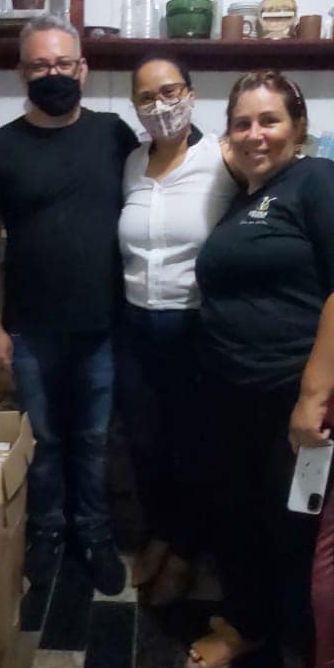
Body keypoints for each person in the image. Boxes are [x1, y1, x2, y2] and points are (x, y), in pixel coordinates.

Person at [191, 70, 334, 668]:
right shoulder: (246, 202)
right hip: (237, 397)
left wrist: (311, 398)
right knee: (242, 519)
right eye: (242, 122)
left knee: (308, 541)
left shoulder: (322, 183)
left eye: (269, 120)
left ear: (298, 129)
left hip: (312, 396)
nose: (255, 134)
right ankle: (248, 625)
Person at [0, 14, 138, 594]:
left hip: (104, 327)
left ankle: (93, 533)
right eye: (40, 65)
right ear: (21, 73)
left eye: (64, 63)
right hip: (29, 330)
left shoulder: (115, 134)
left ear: (83, 69)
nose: (54, 74)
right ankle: (47, 533)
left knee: (94, 441)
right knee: (42, 441)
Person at [117, 56, 238, 603]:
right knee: (145, 443)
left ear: (191, 93)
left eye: (170, 91)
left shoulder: (222, 157)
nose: (160, 105)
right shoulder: (132, 163)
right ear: (135, 105)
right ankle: (158, 536)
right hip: (135, 324)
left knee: (194, 446)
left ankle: (186, 552)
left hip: (195, 324)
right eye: (147, 97)